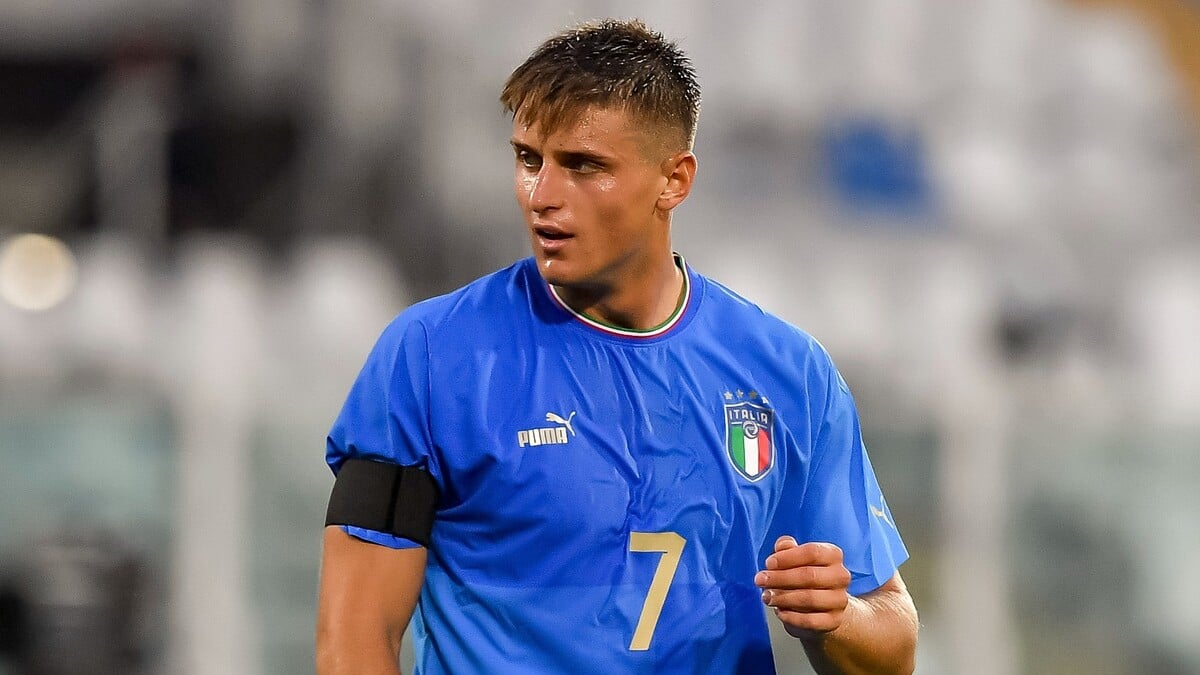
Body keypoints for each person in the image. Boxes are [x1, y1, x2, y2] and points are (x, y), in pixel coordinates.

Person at [317, 18, 917, 675]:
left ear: (674, 181)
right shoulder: (432, 357)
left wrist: (838, 617)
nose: (543, 196)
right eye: (529, 160)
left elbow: (893, 646)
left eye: (583, 166)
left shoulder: (788, 373)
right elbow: (353, 642)